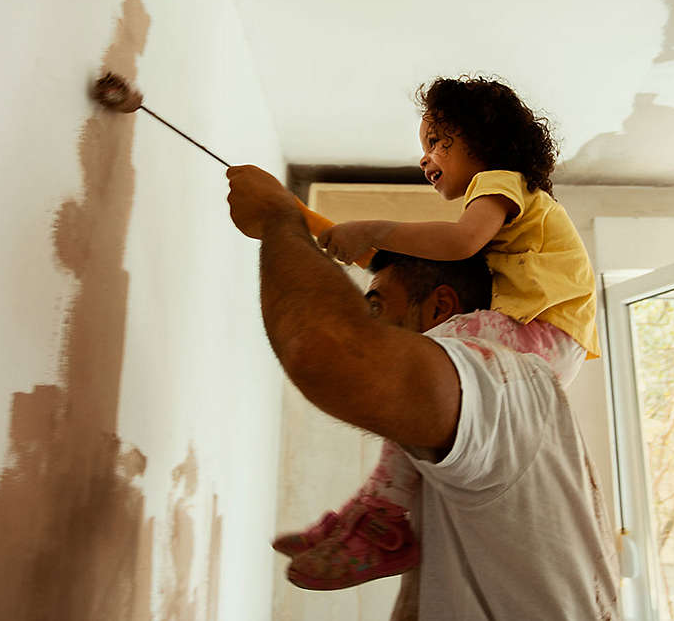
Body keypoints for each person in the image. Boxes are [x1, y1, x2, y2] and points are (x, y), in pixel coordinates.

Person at [225, 164, 620, 619]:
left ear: (441, 307)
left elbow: (325, 354)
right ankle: (374, 515)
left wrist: (280, 220)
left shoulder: (506, 386)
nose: (369, 327)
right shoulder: (465, 419)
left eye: (376, 308)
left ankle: (377, 518)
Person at [276, 76, 601, 590]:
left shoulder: (501, 182)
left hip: (546, 333)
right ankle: (376, 511)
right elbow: (411, 264)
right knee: (430, 397)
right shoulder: (512, 207)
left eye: (436, 143)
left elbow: (458, 241)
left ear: (483, 140)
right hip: (550, 343)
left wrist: (377, 228)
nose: (425, 160)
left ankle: (381, 520)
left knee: (425, 359)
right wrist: (307, 224)